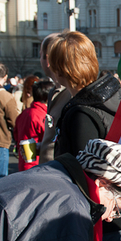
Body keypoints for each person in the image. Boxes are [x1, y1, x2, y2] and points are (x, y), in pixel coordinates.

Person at [49, 31, 121, 241]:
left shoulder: (82, 112)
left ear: (59, 69)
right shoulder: (116, 93)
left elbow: (85, 176)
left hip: (106, 223)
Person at [37, 32, 69, 164]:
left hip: (60, 175)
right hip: (48, 170)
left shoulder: (70, 93)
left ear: (48, 59)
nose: (39, 60)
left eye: (40, 55)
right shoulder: (54, 92)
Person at [14, 79, 53, 171]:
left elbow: (15, 134)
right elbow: (49, 137)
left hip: (24, 161)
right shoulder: (41, 115)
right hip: (37, 164)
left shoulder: (25, 113)